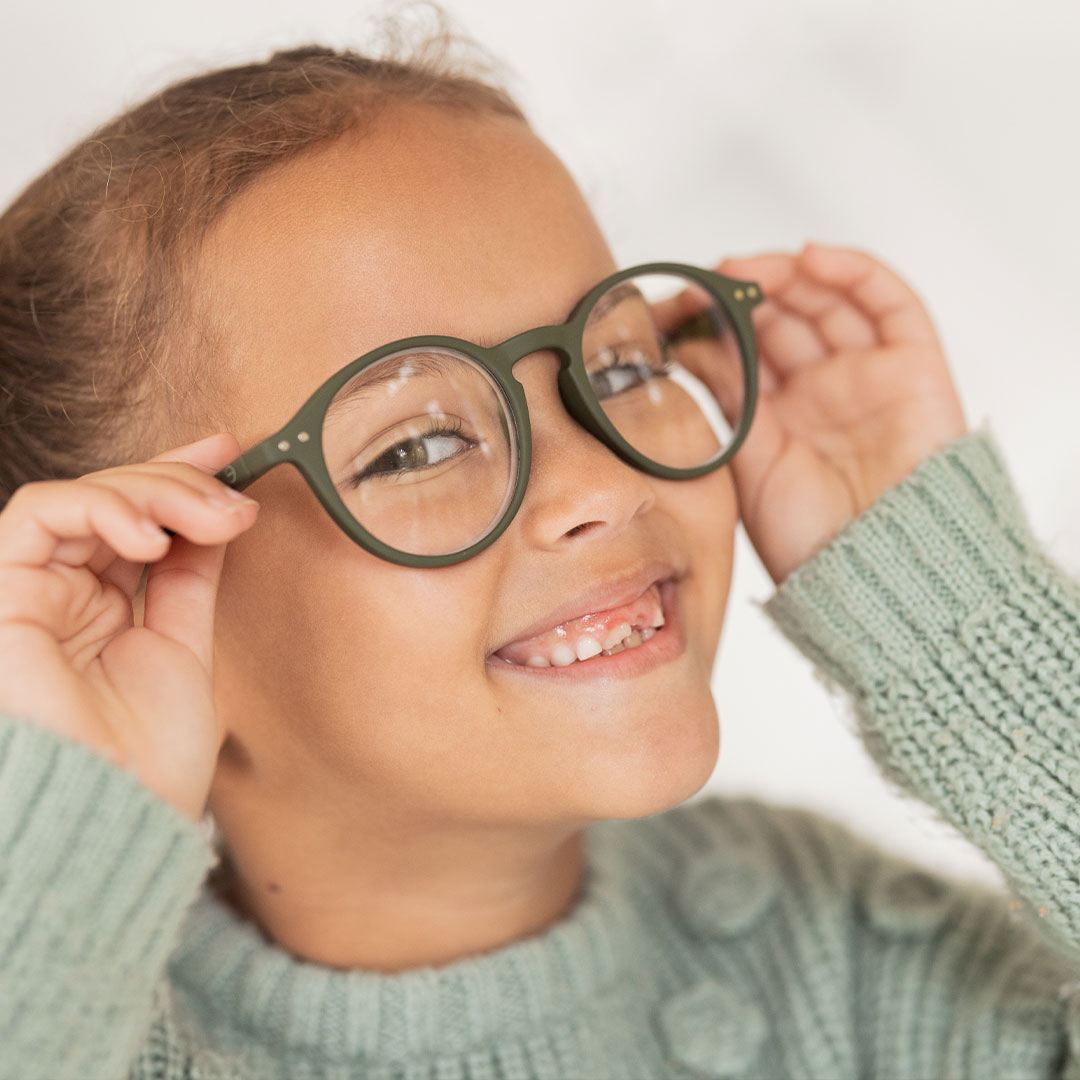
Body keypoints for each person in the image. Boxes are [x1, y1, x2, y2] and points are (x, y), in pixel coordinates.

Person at [2, 11, 1078, 1080]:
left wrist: (962, 629)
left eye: (617, 369)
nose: (605, 483)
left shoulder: (834, 956)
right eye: (418, 444)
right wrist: (58, 845)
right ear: (134, 599)